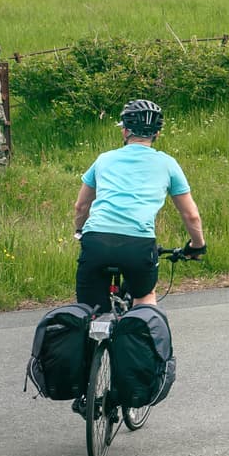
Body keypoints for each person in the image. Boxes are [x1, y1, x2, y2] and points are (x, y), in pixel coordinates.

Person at [72, 98, 205, 309]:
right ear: (157, 134)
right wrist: (197, 246)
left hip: (96, 240)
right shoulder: (168, 164)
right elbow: (191, 216)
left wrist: (80, 230)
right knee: (144, 299)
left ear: (125, 131)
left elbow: (81, 206)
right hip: (138, 244)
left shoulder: (104, 159)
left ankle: (92, 332)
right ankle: (142, 329)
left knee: (89, 309)